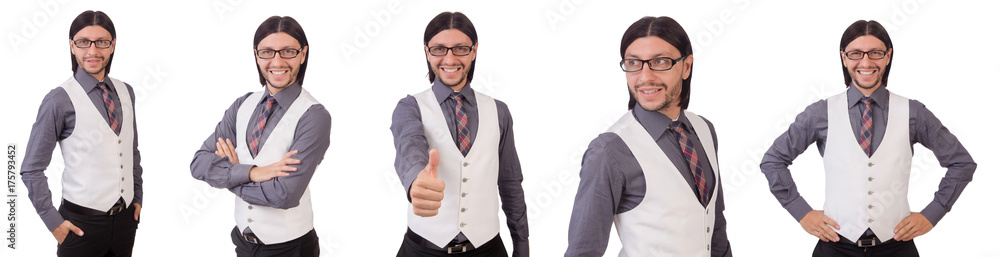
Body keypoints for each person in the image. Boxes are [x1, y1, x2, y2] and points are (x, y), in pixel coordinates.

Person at [760, 20, 977, 256]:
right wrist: (801, 211)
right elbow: (773, 160)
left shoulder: (913, 112)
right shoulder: (820, 113)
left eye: (875, 53)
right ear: (844, 58)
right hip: (835, 247)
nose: (866, 62)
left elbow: (961, 164)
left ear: (888, 56)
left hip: (897, 247)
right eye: (855, 53)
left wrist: (933, 213)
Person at [564, 16, 731, 257]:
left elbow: (714, 222)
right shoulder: (609, 150)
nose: (645, 77)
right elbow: (583, 251)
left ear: (686, 67)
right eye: (634, 63)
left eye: (660, 61)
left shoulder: (704, 129)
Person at [390, 11, 529, 257]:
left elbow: (510, 183)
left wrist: (521, 245)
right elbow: (409, 146)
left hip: (488, 249)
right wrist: (416, 181)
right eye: (439, 49)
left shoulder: (499, 111)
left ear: (474, 51)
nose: (450, 58)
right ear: (427, 52)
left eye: (460, 49)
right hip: (423, 250)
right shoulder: (409, 107)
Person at [190, 16, 330, 257]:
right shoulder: (242, 105)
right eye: (267, 52)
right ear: (256, 55)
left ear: (302, 54)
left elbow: (283, 195)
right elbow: (199, 163)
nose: (277, 61)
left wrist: (228, 176)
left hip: (290, 248)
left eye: (287, 51)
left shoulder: (314, 116)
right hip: (243, 243)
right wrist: (253, 173)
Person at [21, 10, 143, 257]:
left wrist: (137, 196)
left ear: (113, 46)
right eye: (83, 42)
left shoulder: (126, 91)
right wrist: (53, 222)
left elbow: (130, 149)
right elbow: (31, 169)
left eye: (102, 42)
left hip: (125, 223)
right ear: (72, 46)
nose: (93, 51)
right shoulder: (58, 100)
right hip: (80, 226)